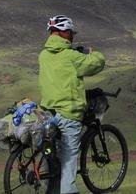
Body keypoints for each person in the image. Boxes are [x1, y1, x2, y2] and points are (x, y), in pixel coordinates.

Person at [39, 15, 106, 194]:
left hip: (48, 113)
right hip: (68, 113)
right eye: (71, 33)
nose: (72, 36)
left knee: (53, 155)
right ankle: (69, 190)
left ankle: (52, 189)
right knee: (69, 156)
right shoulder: (71, 56)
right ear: (65, 32)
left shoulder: (43, 55)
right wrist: (94, 53)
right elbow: (95, 65)